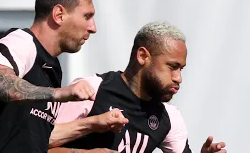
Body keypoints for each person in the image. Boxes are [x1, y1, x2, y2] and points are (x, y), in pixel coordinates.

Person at [0, 0, 127, 153]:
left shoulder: (53, 68)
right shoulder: (21, 41)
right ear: (59, 15)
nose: (93, 28)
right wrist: (60, 93)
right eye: (87, 16)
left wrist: (93, 126)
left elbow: (42, 137)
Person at [48, 21, 227, 153]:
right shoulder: (92, 90)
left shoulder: (170, 117)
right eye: (172, 67)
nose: (178, 78)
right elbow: (36, 145)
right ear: (143, 56)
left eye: (181, 69)